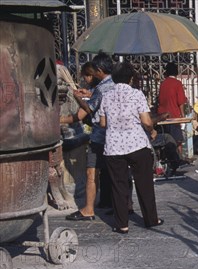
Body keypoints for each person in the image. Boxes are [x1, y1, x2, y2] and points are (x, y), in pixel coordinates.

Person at [98, 61, 163, 233]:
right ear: (131, 78)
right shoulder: (137, 94)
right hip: (137, 144)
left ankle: (122, 224)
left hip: (114, 146)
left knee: (118, 186)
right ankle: (151, 219)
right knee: (145, 183)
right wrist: (152, 130)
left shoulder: (106, 96)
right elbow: (146, 121)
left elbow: (103, 123)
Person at [63, 52, 115, 222]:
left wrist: (78, 98)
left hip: (99, 136)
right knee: (115, 173)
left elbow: (88, 110)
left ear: (98, 71)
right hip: (114, 136)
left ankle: (88, 209)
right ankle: (120, 205)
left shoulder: (101, 87)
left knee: (91, 172)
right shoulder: (115, 84)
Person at [157, 62, 188, 156]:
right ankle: (179, 158)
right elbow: (181, 101)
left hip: (162, 116)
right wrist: (182, 115)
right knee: (177, 140)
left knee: (166, 140)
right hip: (174, 116)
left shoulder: (163, 84)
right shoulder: (177, 83)